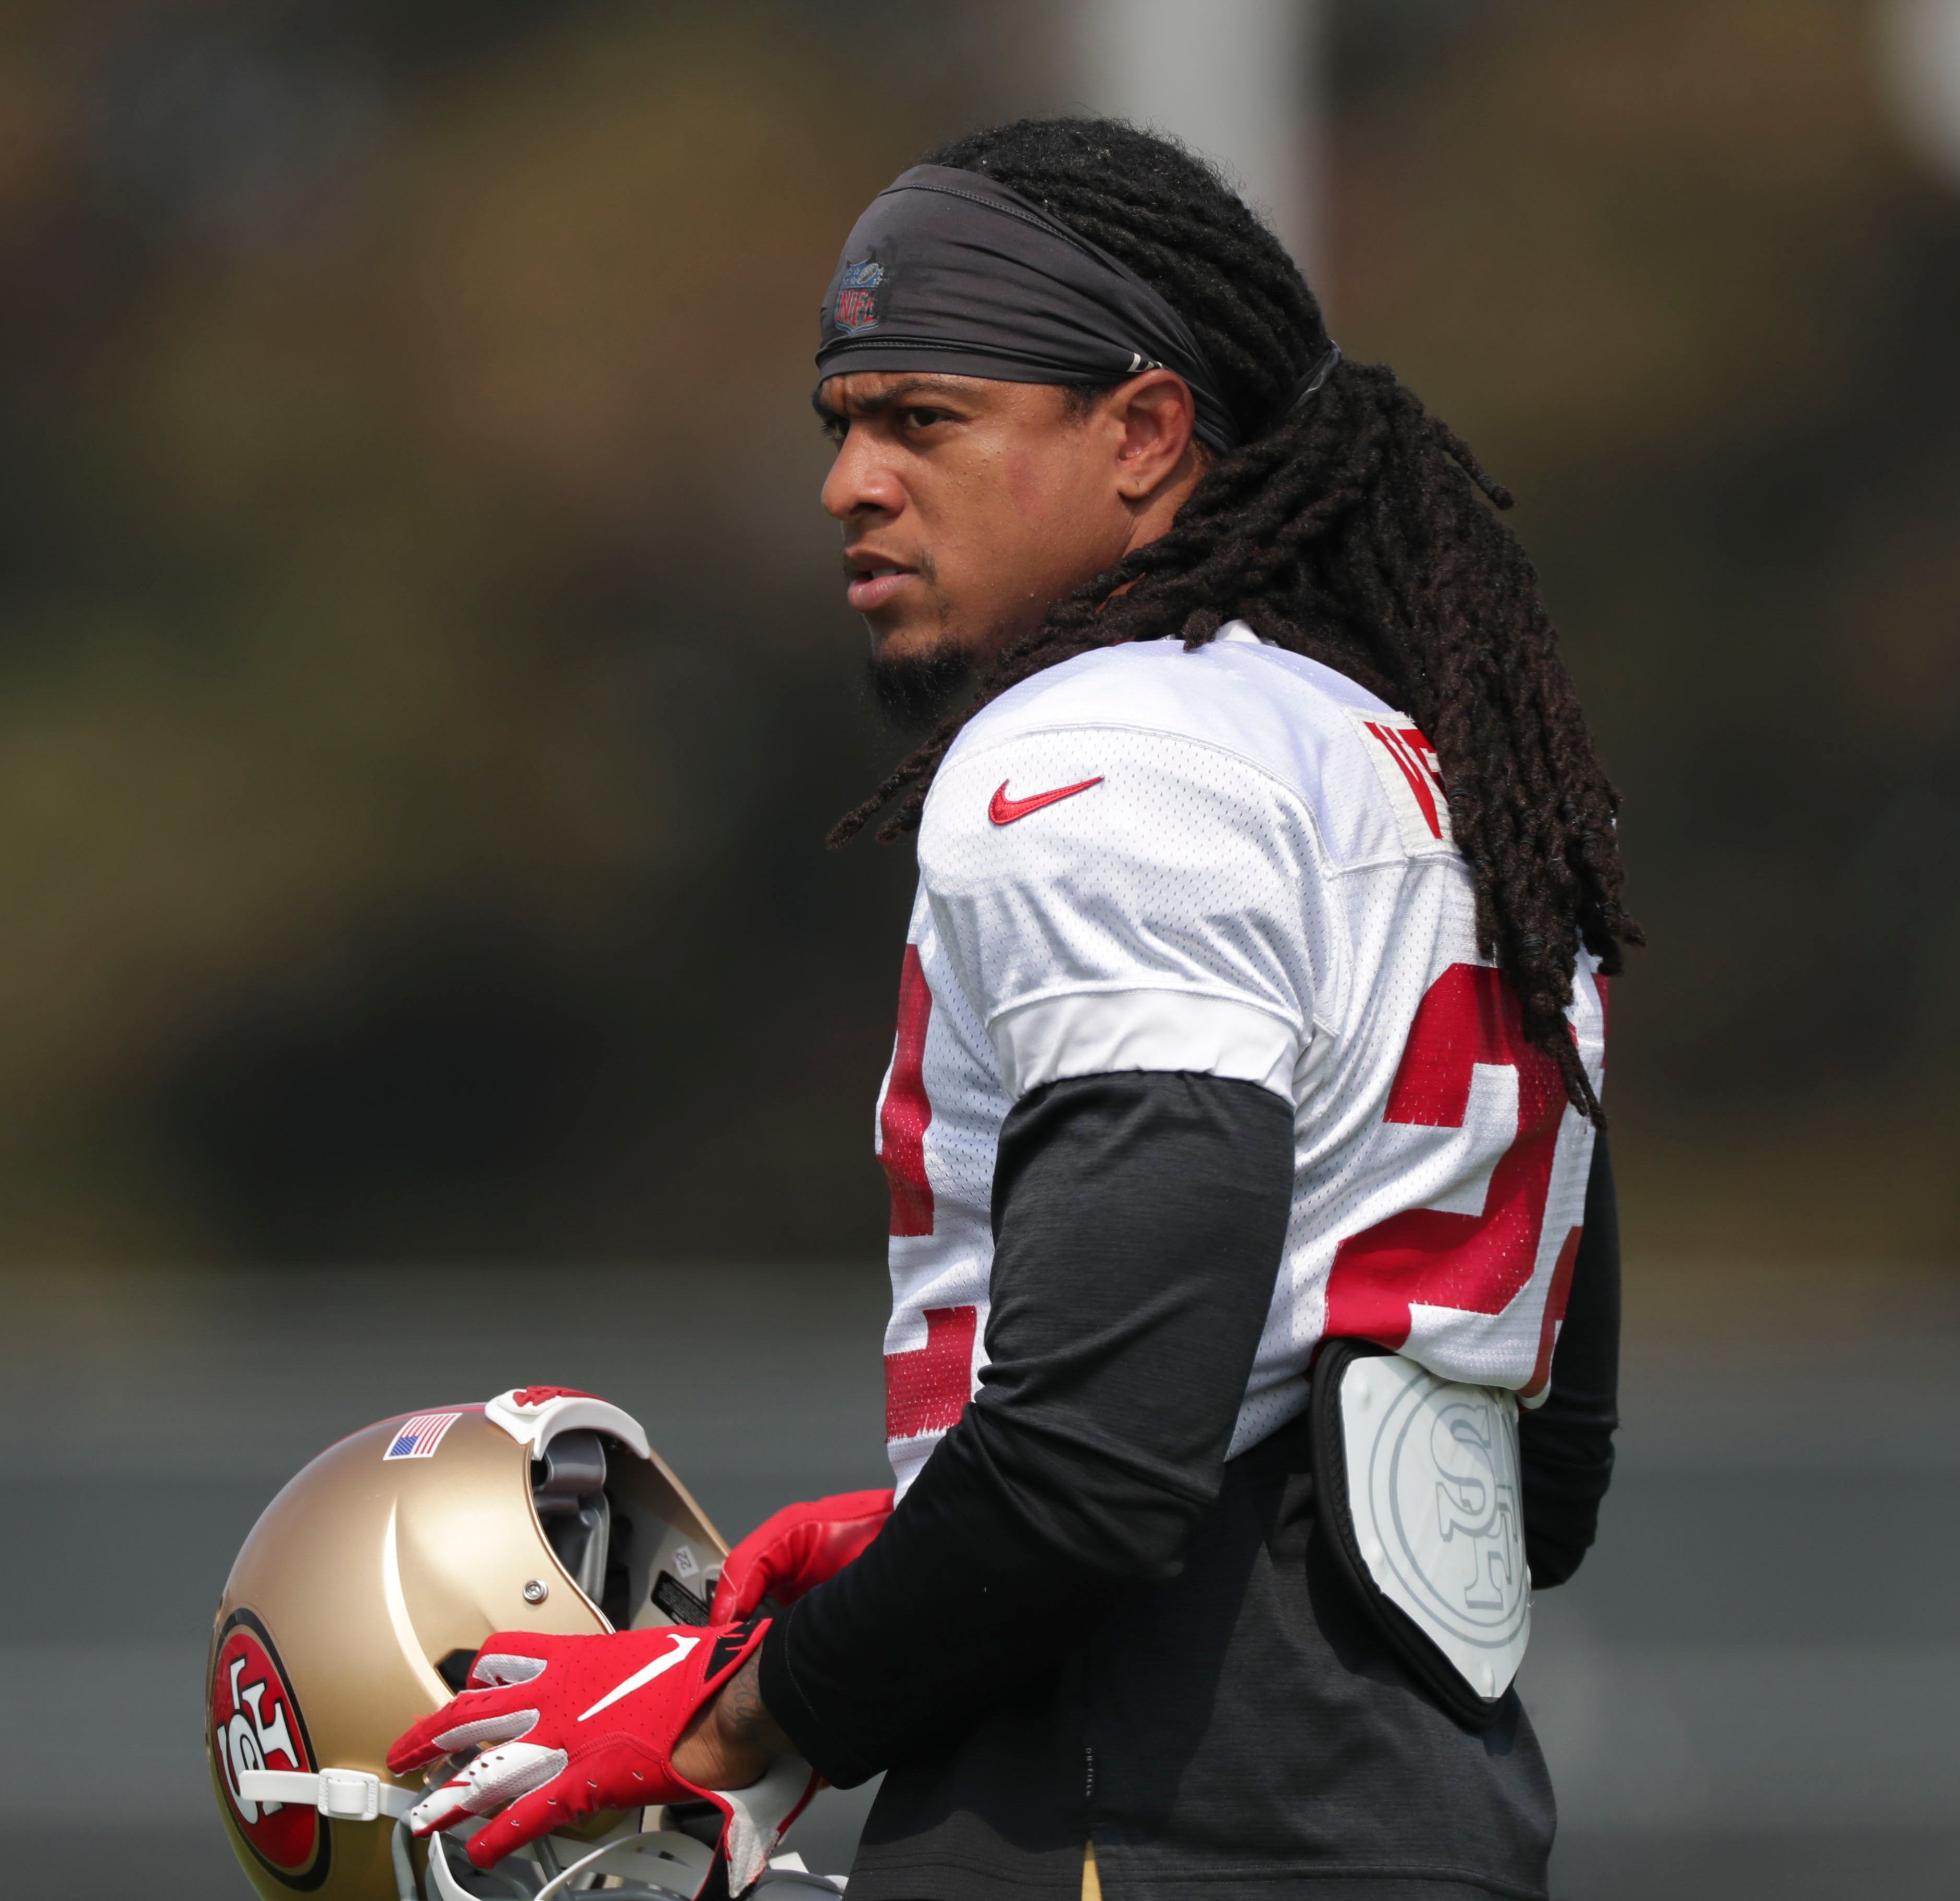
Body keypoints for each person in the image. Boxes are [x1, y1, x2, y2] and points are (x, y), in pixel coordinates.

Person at [390, 116, 1637, 1901]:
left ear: (1144, 437)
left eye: (923, 419)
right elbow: (1542, 1476)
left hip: (1128, 1813)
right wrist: (934, 1533)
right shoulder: (1450, 780)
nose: (849, 484)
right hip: (1427, 1821)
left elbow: (1093, 1468)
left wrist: (733, 1724)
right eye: (841, 425)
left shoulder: (1108, 748)